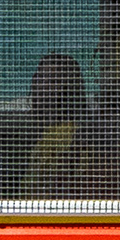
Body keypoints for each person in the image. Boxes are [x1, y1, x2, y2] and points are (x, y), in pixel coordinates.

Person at [23, 48, 96, 193]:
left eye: (52, 81)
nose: (40, 86)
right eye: (39, 78)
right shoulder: (46, 135)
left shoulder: (64, 139)